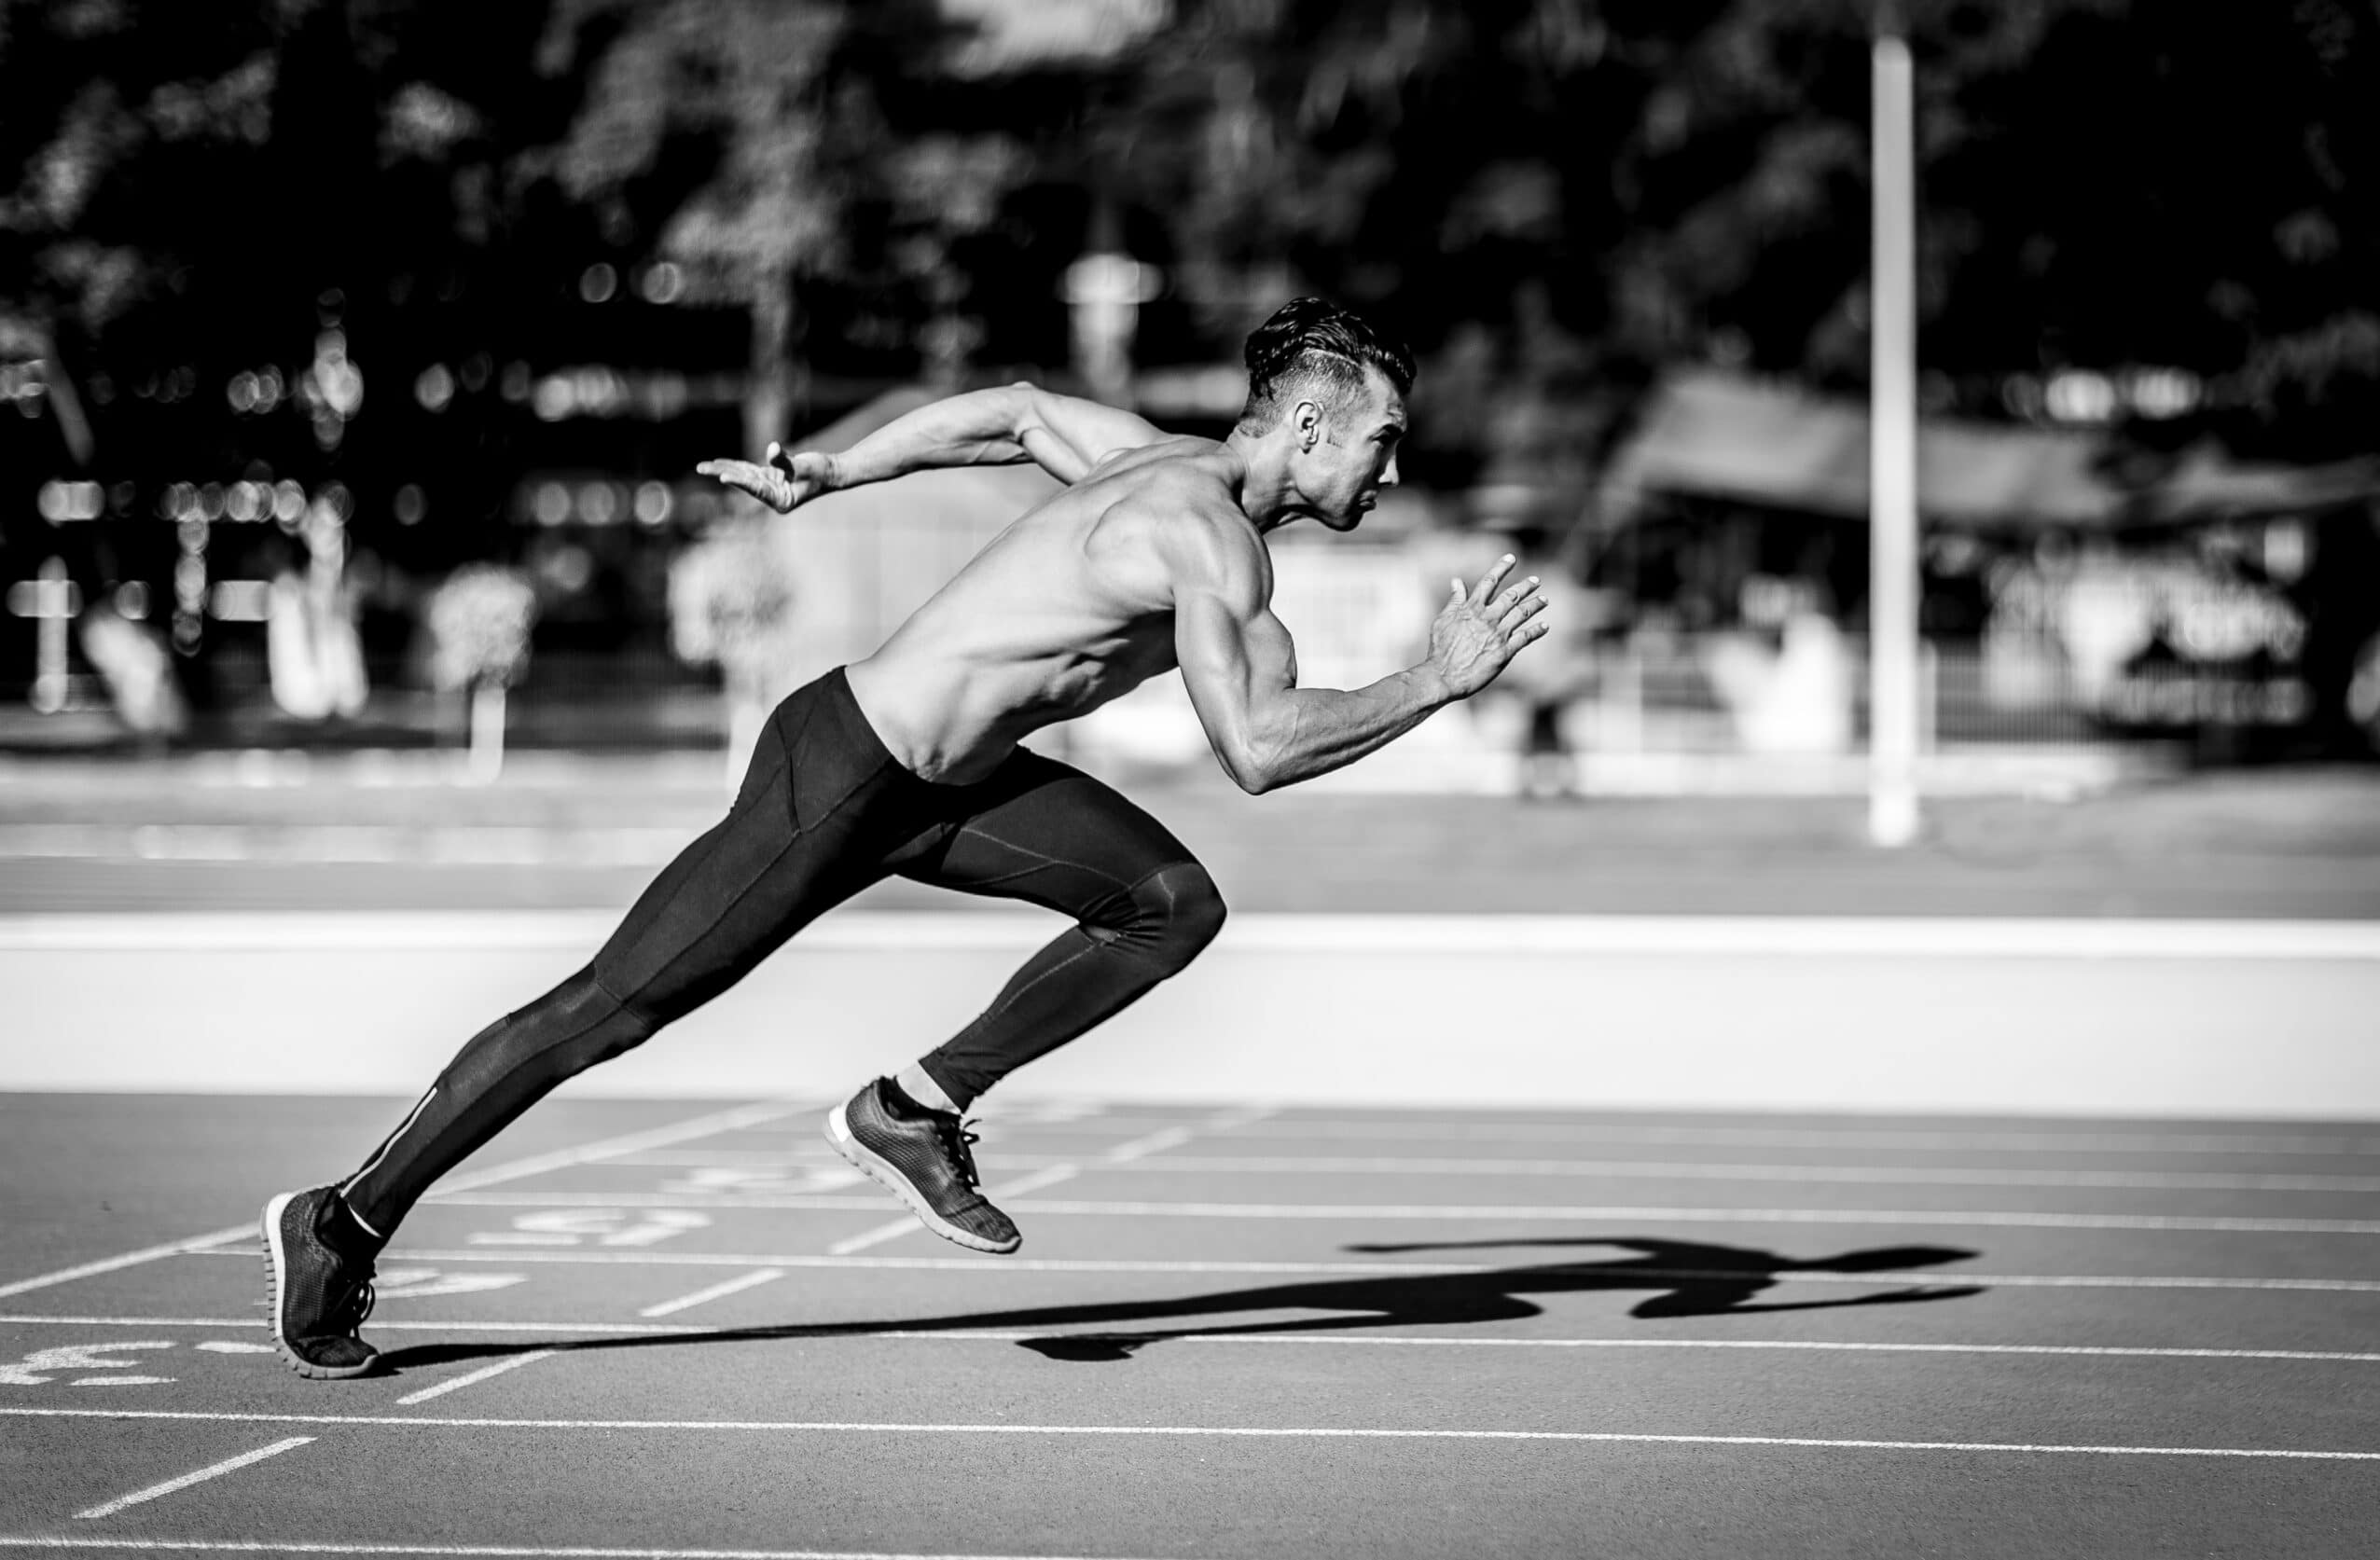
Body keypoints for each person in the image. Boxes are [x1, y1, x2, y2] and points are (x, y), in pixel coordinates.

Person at [263, 297, 1551, 1378]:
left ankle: (913, 1106)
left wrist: (834, 470)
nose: (1388, 472)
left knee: (1168, 898)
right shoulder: (1199, 530)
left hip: (953, 786)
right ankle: (342, 1220)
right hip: (843, 772)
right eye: (1381, 441)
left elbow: (1012, 409)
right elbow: (1259, 749)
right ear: (1310, 423)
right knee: (608, 1007)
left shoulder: (1151, 461)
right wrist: (1435, 681)